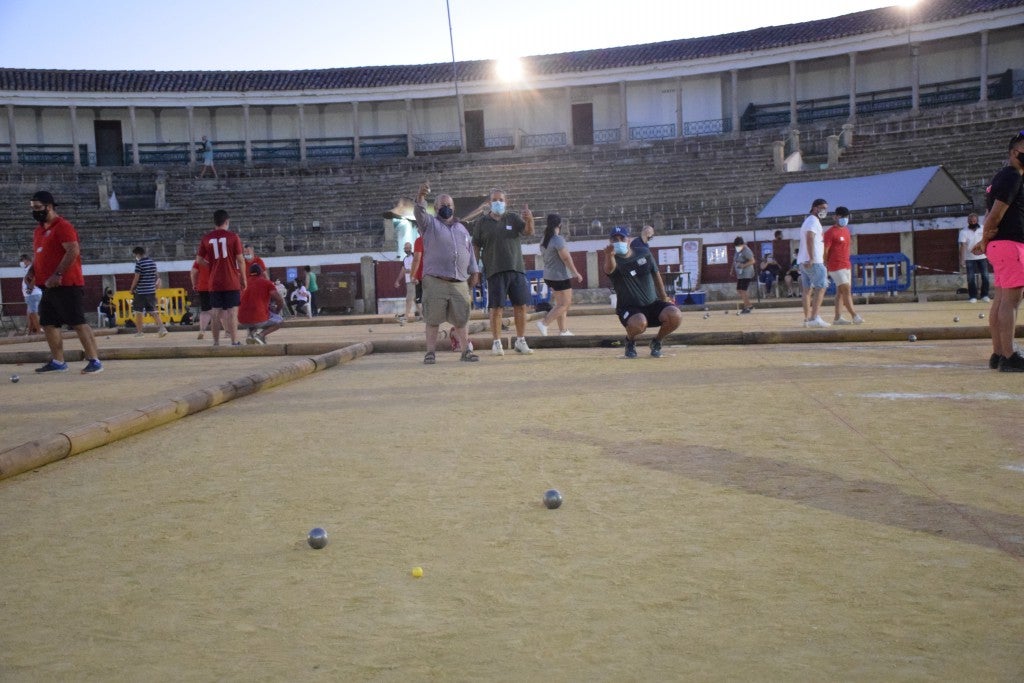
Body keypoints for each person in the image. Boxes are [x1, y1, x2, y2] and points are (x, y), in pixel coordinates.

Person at [27, 191, 103, 374]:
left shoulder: (63, 226)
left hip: (67, 283)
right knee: (48, 323)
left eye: (38, 208)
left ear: (49, 206)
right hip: (47, 285)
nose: (35, 211)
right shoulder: (39, 230)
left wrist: (58, 274)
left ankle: (94, 360)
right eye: (33, 208)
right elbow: (39, 256)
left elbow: (72, 251)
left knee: (77, 321)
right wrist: (31, 271)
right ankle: (58, 361)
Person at [414, 181, 480, 364]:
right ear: (435, 208)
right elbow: (419, 213)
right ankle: (430, 353)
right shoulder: (429, 224)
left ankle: (466, 351)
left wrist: (474, 270)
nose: (446, 207)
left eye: (449, 205)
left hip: (459, 280)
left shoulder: (462, 229)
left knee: (462, 319)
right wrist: (420, 197)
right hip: (436, 280)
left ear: (454, 207)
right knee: (433, 319)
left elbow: (469, 252)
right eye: (442, 205)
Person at [974, 130, 1024, 372]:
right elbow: (994, 216)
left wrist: (985, 242)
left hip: (1001, 245)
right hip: (1010, 244)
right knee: (1011, 303)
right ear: (1015, 152)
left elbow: (990, 214)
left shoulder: (1002, 177)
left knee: (1001, 300)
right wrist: (984, 239)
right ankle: (1009, 355)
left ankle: (997, 353)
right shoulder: (1013, 177)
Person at [471, 187, 535, 355]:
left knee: (521, 306)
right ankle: (497, 342)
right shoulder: (481, 223)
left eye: (501, 200)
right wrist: (475, 269)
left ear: (506, 202)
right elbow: (476, 245)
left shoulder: (513, 218)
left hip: (516, 268)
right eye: (495, 200)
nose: (498, 202)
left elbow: (528, 232)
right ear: (489, 202)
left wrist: (529, 219)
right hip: (494, 270)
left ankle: (521, 341)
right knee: (496, 308)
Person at [604, 225, 682, 358]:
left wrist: (664, 296)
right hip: (629, 308)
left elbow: (656, 275)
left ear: (628, 240)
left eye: (621, 238)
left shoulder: (644, 253)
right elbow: (609, 270)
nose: (618, 241)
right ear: (610, 242)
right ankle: (630, 341)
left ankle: (657, 341)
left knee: (675, 315)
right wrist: (608, 255)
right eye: (614, 239)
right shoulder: (612, 259)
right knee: (639, 322)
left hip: (652, 303)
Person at [196, 209, 246, 346]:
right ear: (227, 221)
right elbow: (240, 260)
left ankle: (216, 342)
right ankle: (234, 341)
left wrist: (211, 265)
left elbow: (199, 260)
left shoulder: (206, 238)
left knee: (215, 313)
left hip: (214, 281)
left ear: (214, 222)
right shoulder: (233, 237)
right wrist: (243, 279)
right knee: (232, 312)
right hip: (231, 280)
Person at [536, 213, 583, 336]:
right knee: (565, 304)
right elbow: (566, 258)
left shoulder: (544, 239)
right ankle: (544, 323)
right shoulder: (557, 239)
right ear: (560, 224)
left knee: (560, 304)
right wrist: (575, 272)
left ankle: (563, 330)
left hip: (549, 276)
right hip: (560, 276)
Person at [824, 206, 864, 325]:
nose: (844, 219)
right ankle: (854, 315)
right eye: (841, 217)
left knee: (840, 292)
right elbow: (825, 250)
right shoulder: (830, 233)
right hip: (836, 266)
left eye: (846, 217)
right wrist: (826, 263)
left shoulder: (846, 230)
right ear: (835, 217)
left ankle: (837, 318)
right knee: (846, 290)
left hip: (846, 265)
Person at [800, 198, 831, 328]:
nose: (824, 211)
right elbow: (810, 237)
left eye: (826, 208)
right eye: (822, 208)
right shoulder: (813, 221)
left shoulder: (808, 221)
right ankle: (814, 317)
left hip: (803, 260)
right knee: (821, 287)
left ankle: (807, 319)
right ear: (815, 208)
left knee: (807, 290)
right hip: (814, 261)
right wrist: (812, 257)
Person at [238, 264, 285, 344]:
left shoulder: (244, 283)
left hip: (242, 319)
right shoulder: (267, 283)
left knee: (253, 314)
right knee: (280, 321)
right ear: (261, 273)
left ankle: (251, 335)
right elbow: (280, 300)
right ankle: (260, 335)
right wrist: (277, 311)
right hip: (258, 318)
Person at [128, 246, 168, 337]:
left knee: (138, 312)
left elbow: (136, 278)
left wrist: (131, 288)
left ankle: (139, 332)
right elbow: (157, 276)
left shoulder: (139, 264)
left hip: (141, 291)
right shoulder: (152, 262)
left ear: (137, 254)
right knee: (153, 311)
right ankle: (162, 328)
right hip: (151, 290)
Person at [959, 212, 990, 303]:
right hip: (969, 259)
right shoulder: (963, 232)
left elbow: (987, 241)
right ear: (968, 221)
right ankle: (973, 296)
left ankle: (985, 295)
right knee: (970, 278)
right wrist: (962, 260)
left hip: (983, 257)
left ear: (977, 220)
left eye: (974, 221)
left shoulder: (983, 229)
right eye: (971, 221)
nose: (973, 222)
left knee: (985, 276)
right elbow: (962, 246)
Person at [189, 254, 212, 339]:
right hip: (216, 286)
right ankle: (227, 331)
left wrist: (194, 284)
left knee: (205, 310)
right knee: (221, 310)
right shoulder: (217, 256)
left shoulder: (199, 259)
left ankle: (202, 330)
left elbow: (193, 272)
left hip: (203, 287)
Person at [393, 242, 417, 321]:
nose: (406, 249)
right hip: (408, 281)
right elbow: (403, 271)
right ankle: (422, 315)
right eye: (405, 248)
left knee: (409, 299)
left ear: (411, 248)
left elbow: (418, 267)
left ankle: (406, 316)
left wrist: (410, 271)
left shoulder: (414, 256)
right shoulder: (405, 259)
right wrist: (397, 281)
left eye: (408, 248)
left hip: (414, 280)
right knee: (415, 299)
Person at [19, 254, 42, 334]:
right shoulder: (27, 268)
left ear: (26, 260)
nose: (21, 262)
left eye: (22, 260)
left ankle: (39, 331)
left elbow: (34, 278)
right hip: (31, 294)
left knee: (33, 313)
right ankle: (30, 332)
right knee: (30, 314)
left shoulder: (31, 268)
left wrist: (30, 289)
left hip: (32, 294)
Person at [732, 236, 755, 314]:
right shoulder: (737, 250)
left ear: (742, 244)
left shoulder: (746, 250)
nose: (737, 247)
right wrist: (732, 270)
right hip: (740, 273)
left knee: (743, 290)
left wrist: (743, 265)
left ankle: (747, 307)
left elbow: (752, 261)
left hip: (746, 273)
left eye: (738, 246)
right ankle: (749, 305)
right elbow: (735, 260)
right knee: (739, 290)